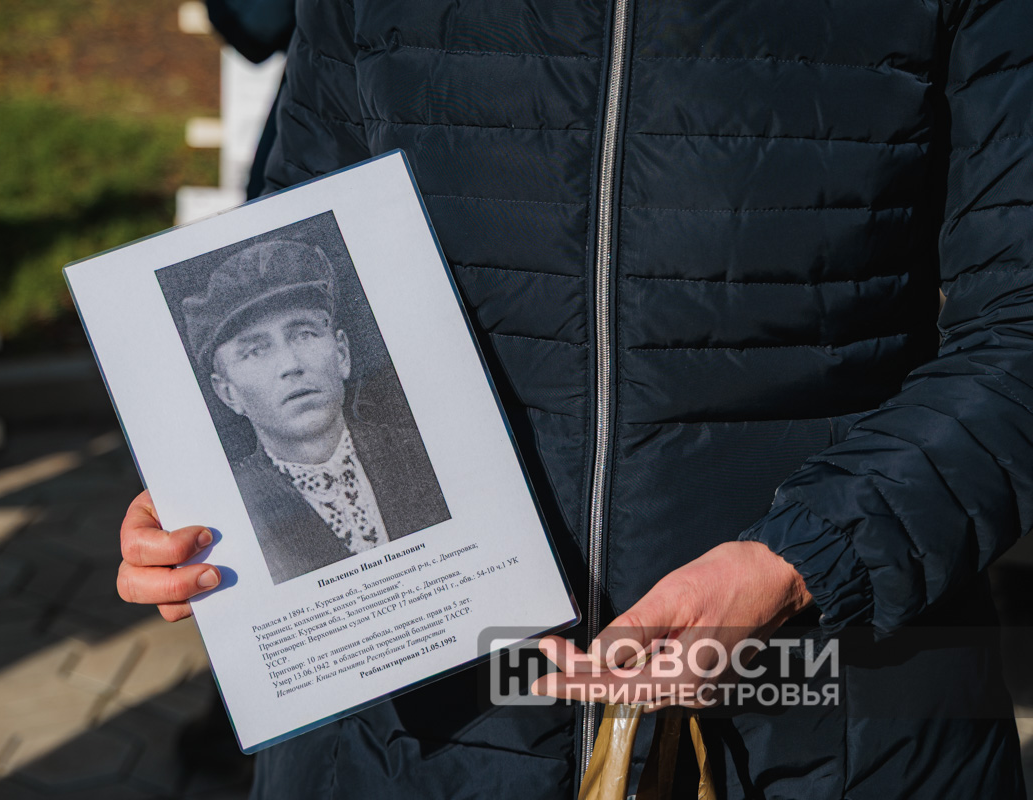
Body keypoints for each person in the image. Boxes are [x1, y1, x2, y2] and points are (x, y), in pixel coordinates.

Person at [117, 1, 1033, 797]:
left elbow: (1020, 329)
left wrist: (810, 558)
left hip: (822, 710)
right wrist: (220, 503)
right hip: (418, 738)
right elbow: (302, 230)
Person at [180, 239, 450, 583]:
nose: (290, 365)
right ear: (228, 393)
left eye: (304, 334)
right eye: (256, 351)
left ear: (341, 354)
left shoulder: (426, 453)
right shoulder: (224, 513)